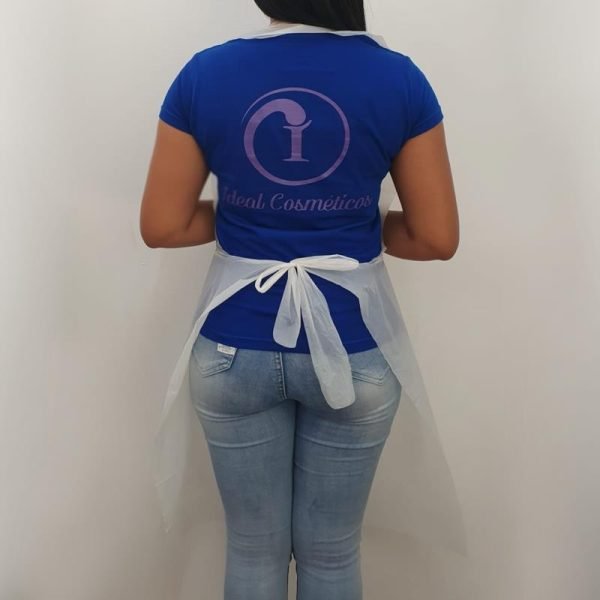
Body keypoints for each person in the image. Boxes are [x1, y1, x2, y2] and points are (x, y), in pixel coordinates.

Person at [140, 2, 460, 599]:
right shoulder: (399, 78)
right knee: (332, 554)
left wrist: (248, 221)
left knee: (251, 548)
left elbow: (164, 225)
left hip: (233, 348)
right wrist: (353, 226)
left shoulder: (205, 74)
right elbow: (434, 238)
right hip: (355, 349)